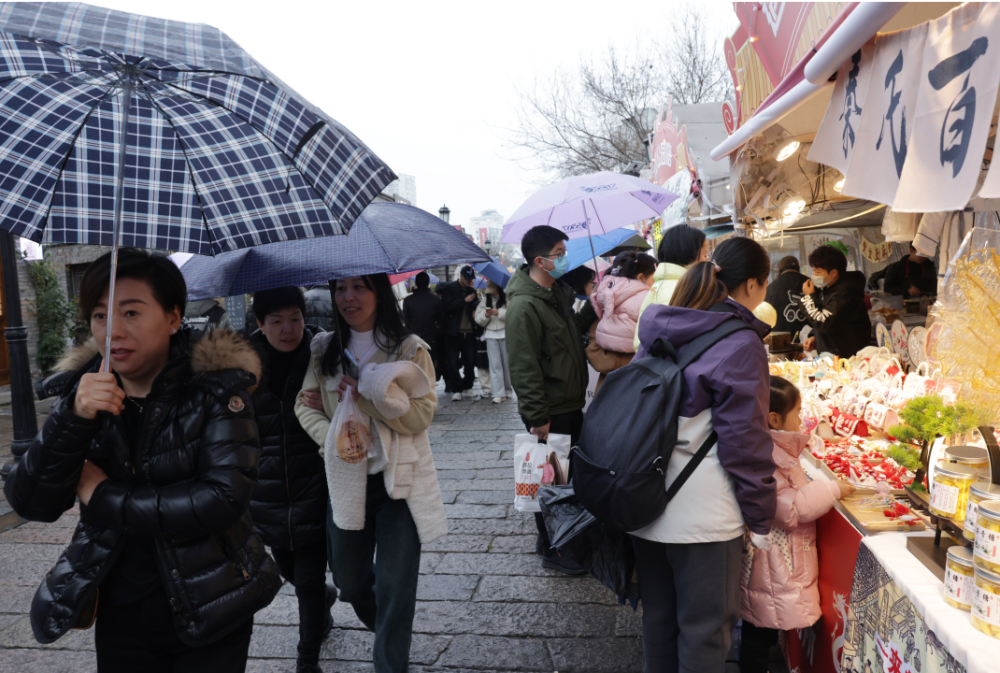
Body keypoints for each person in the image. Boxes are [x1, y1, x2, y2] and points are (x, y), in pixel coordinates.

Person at [4, 249, 280, 670]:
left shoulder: (218, 391)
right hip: (122, 612)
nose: (112, 330)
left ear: (172, 318)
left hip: (212, 605)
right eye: (100, 315)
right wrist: (73, 416)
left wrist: (103, 495)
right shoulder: (83, 394)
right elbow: (31, 502)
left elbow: (221, 499)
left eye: (131, 312)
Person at [630, 236, 778, 673]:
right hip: (704, 517)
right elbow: (745, 443)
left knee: (659, 621)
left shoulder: (665, 324)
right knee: (705, 632)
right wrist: (761, 517)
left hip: (645, 501)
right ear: (752, 284)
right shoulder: (740, 342)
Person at [294, 273, 447, 673]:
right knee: (350, 581)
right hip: (346, 480)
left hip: (398, 481)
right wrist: (338, 440)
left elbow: (421, 414)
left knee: (396, 585)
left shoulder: (409, 350)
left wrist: (366, 399)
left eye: (359, 287)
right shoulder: (323, 349)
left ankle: (390, 662)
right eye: (340, 288)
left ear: (379, 292)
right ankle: (391, 632)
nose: (348, 297)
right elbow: (304, 405)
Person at [740, 376, 856, 673]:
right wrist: (832, 489)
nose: (801, 419)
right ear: (775, 418)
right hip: (773, 561)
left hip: (773, 559)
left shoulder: (771, 448)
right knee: (760, 630)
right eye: (798, 412)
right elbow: (791, 508)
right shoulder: (767, 455)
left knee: (761, 626)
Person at [248, 287, 336, 673]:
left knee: (309, 580)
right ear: (260, 324)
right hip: (266, 493)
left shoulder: (324, 356)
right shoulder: (241, 368)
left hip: (314, 485)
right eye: (277, 321)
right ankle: (324, 601)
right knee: (293, 574)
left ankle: (307, 661)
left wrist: (332, 402)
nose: (288, 329)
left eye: (295, 319)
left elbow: (354, 406)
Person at [505, 225, 595, 575]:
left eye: (564, 252)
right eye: (559, 254)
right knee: (551, 482)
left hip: (569, 404)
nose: (564, 259)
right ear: (539, 261)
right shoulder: (524, 306)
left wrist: (594, 306)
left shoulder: (555, 294)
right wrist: (537, 416)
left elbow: (570, 333)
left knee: (565, 480)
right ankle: (554, 549)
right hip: (550, 411)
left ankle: (562, 540)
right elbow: (523, 365)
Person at [633, 224, 709, 351]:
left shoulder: (660, 284)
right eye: (705, 255)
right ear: (688, 255)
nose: (707, 261)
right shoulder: (683, 289)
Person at [800, 245, 872, 357]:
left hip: (848, 359)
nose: (814, 276)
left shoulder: (845, 294)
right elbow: (834, 322)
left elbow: (824, 322)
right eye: (813, 271)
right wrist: (816, 337)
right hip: (833, 356)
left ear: (833, 273)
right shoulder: (829, 289)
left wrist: (809, 297)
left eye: (818, 272)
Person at [437, 265, 480, 401]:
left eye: (471, 278)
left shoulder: (472, 290)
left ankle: (468, 386)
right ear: (460, 276)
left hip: (469, 332)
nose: (469, 281)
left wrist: (476, 306)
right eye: (467, 278)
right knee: (452, 361)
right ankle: (456, 388)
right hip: (453, 332)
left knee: (469, 361)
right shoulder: (449, 288)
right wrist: (464, 300)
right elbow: (447, 307)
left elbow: (475, 308)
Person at [474, 278, 513, 404]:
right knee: (495, 365)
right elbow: (478, 319)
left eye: (493, 290)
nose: (491, 293)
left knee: (506, 364)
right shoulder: (485, 300)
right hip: (490, 335)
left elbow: (513, 314)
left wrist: (498, 312)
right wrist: (486, 315)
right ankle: (498, 393)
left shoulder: (507, 298)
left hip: (505, 333)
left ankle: (507, 390)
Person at [402, 272, 445, 381]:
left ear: (416, 283)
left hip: (413, 338)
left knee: (414, 366)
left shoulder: (408, 300)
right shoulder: (435, 300)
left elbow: (406, 321)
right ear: (428, 283)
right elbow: (441, 319)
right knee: (429, 365)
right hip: (431, 337)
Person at [764, 255, 809, 338]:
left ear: (780, 269)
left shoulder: (771, 288)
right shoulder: (810, 283)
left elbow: (765, 315)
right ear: (798, 267)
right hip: (809, 339)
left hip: (779, 339)